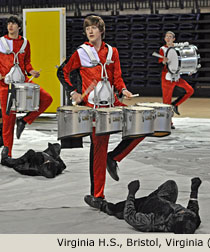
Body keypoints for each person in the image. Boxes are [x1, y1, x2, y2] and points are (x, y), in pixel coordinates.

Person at [57, 15, 146, 203]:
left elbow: (118, 77)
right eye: (87, 28)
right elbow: (62, 72)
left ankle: (113, 158)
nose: (90, 31)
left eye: (94, 27)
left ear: (101, 30)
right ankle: (97, 196)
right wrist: (72, 92)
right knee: (98, 149)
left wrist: (123, 89)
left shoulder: (113, 52)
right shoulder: (81, 53)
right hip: (94, 107)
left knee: (142, 125)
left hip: (113, 103)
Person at [0, 15, 53, 164]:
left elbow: (27, 63)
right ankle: (6, 153)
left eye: (13, 24)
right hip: (5, 85)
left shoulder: (25, 43)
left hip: (22, 82)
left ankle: (25, 120)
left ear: (19, 27)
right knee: (8, 120)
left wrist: (32, 71)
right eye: (9, 23)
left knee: (47, 99)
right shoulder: (0, 43)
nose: (10, 26)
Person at [85, 178, 202, 234]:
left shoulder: (155, 221)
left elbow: (129, 216)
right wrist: (194, 191)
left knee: (116, 209)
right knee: (171, 184)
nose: (183, 211)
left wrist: (131, 193)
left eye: (181, 213)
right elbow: (193, 209)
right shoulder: (191, 218)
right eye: (185, 212)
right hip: (162, 199)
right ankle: (153, 197)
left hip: (142, 205)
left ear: (175, 219)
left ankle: (102, 205)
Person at [159, 31, 194, 120]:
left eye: (170, 37)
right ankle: (168, 123)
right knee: (166, 102)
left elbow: (182, 61)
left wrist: (188, 70)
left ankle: (175, 104)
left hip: (177, 77)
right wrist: (164, 61)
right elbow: (160, 61)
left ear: (174, 39)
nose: (168, 38)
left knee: (190, 90)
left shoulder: (178, 48)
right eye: (166, 36)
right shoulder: (162, 49)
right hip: (167, 77)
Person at [1, 143, 66, 179]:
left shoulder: (33, 169)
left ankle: (4, 159)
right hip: (46, 155)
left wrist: (27, 156)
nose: (48, 161)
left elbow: (18, 166)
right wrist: (56, 157)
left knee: (30, 152)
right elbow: (63, 166)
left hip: (33, 158)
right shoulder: (57, 167)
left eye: (47, 162)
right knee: (57, 146)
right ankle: (50, 154)